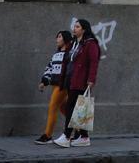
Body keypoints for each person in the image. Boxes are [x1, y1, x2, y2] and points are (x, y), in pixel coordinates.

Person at [53, 19, 99, 148]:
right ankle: (84, 137)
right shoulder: (73, 43)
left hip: (81, 81)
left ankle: (66, 136)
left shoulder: (90, 44)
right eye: (74, 26)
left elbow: (93, 63)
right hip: (70, 79)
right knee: (79, 109)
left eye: (77, 27)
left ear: (84, 29)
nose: (74, 28)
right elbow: (67, 60)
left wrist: (91, 80)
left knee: (71, 108)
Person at [34, 31, 72, 144]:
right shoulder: (56, 54)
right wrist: (44, 81)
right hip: (55, 85)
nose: (57, 39)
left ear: (65, 39)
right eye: (57, 37)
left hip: (63, 86)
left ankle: (47, 135)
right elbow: (49, 68)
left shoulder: (69, 54)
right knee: (64, 109)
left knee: (53, 107)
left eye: (59, 37)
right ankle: (80, 130)